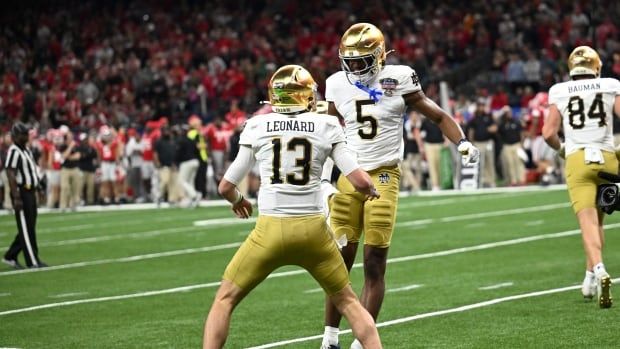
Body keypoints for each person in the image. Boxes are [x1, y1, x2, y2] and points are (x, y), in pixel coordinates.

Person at [320, 23, 479, 349]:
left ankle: (361, 341)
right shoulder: (336, 84)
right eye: (349, 61)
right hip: (349, 175)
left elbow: (437, 115)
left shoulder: (400, 78)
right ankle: (329, 338)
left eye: (361, 60)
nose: (353, 68)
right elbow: (327, 130)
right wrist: (322, 178)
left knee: (374, 263)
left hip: (383, 176)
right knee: (339, 261)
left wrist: (461, 141)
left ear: (379, 57)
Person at [203, 65, 383, 349]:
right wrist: (370, 189)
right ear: (307, 96)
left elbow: (226, 186)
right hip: (313, 232)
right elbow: (358, 179)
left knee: (224, 300)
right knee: (349, 303)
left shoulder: (257, 125)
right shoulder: (326, 124)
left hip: (269, 232)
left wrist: (239, 201)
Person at [543, 46, 619, 309]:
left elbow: (547, 133)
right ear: (596, 67)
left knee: (587, 222)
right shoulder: (610, 85)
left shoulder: (559, 90)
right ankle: (588, 279)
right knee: (598, 221)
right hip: (608, 158)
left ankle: (598, 270)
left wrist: (563, 150)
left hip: (578, 158)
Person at [1, 123, 46, 269]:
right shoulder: (14, 151)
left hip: (30, 191)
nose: (26, 136)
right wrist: (16, 196)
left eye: (27, 133)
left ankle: (10, 256)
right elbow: (10, 173)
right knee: (26, 227)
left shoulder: (26, 150)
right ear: (15, 136)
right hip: (22, 192)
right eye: (23, 134)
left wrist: (39, 188)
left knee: (29, 227)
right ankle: (32, 261)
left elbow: (32, 171)